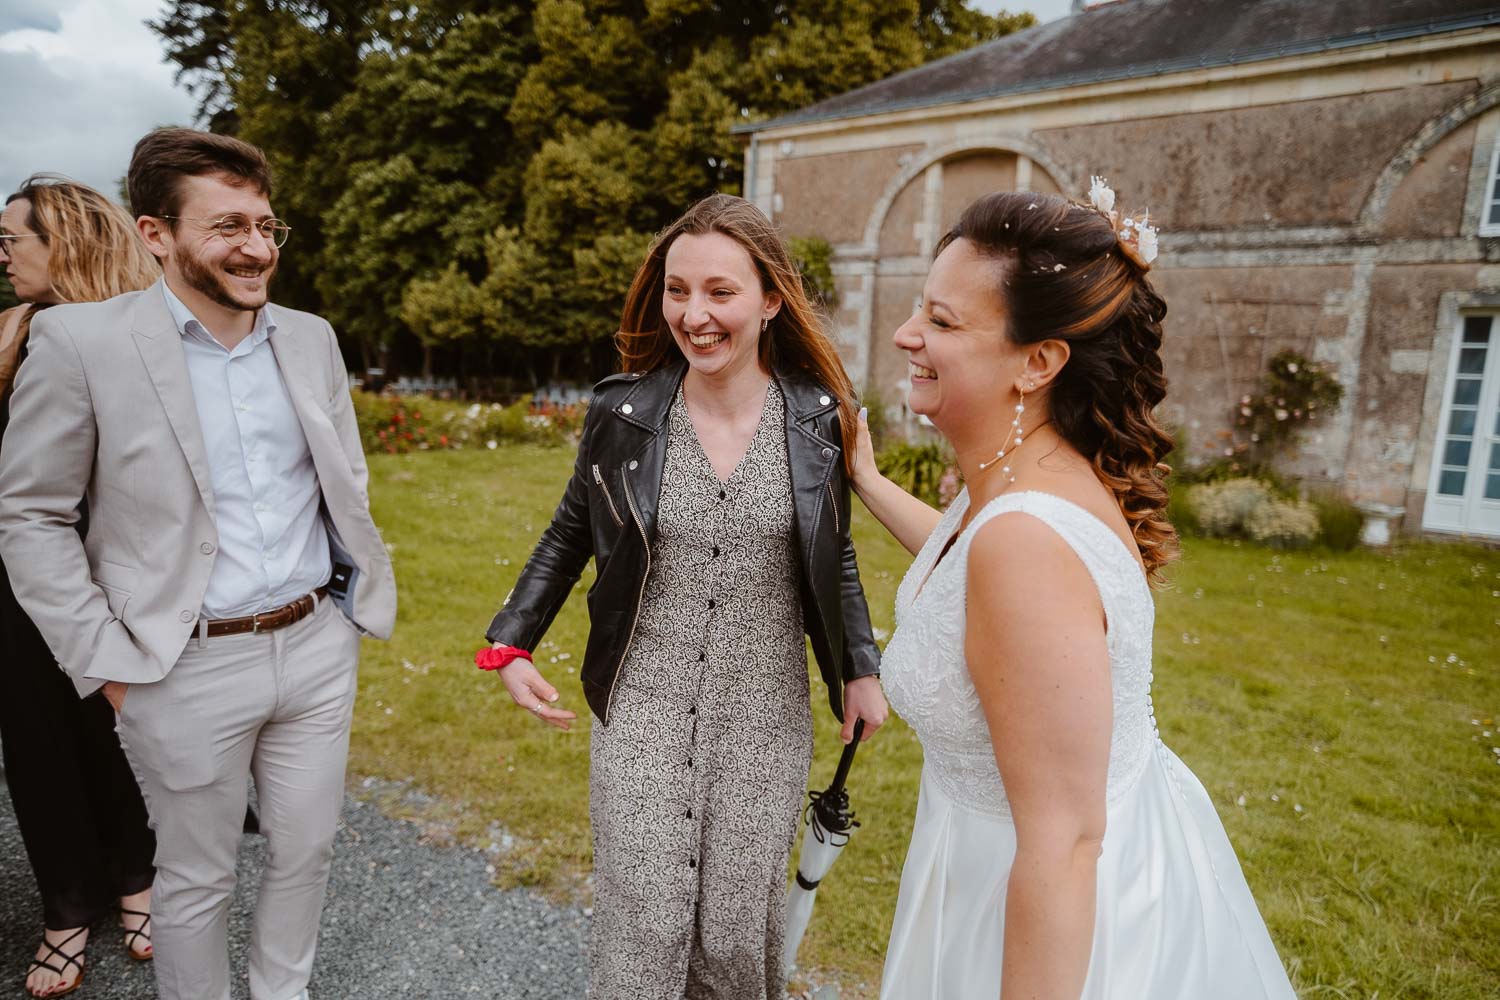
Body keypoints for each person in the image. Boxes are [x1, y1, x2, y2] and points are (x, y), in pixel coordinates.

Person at [855, 186, 1297, 998]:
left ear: (1039, 361)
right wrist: (868, 480)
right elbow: (970, 586)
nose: (905, 334)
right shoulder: (1031, 479)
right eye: (923, 309)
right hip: (1032, 861)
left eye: (943, 322)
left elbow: (1062, 844)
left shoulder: (1023, 537)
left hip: (1046, 906)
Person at [0, 128, 397, 1000]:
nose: (256, 248)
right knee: (195, 881)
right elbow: (30, 516)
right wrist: (108, 663)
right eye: (226, 228)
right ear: (155, 234)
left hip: (316, 648)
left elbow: (343, 478)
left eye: (265, 225)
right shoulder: (79, 343)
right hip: (180, 667)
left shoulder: (311, 338)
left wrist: (344, 610)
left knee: (305, 854)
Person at [482, 193, 888, 999]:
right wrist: (512, 640)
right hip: (643, 704)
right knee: (646, 920)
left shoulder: (818, 421)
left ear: (771, 300)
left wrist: (860, 667)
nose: (694, 315)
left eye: (719, 292)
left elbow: (832, 553)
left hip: (765, 712)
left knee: (738, 931)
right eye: (677, 290)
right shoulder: (622, 413)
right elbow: (569, 533)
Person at [0, 175, 160, 998]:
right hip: (20, 580)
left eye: (12, 240)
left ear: (62, 241)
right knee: (37, 745)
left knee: (117, 732)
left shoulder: (143, 330)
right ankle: (65, 907)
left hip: (123, 570)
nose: (2, 256)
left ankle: (138, 881)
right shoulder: (8, 333)